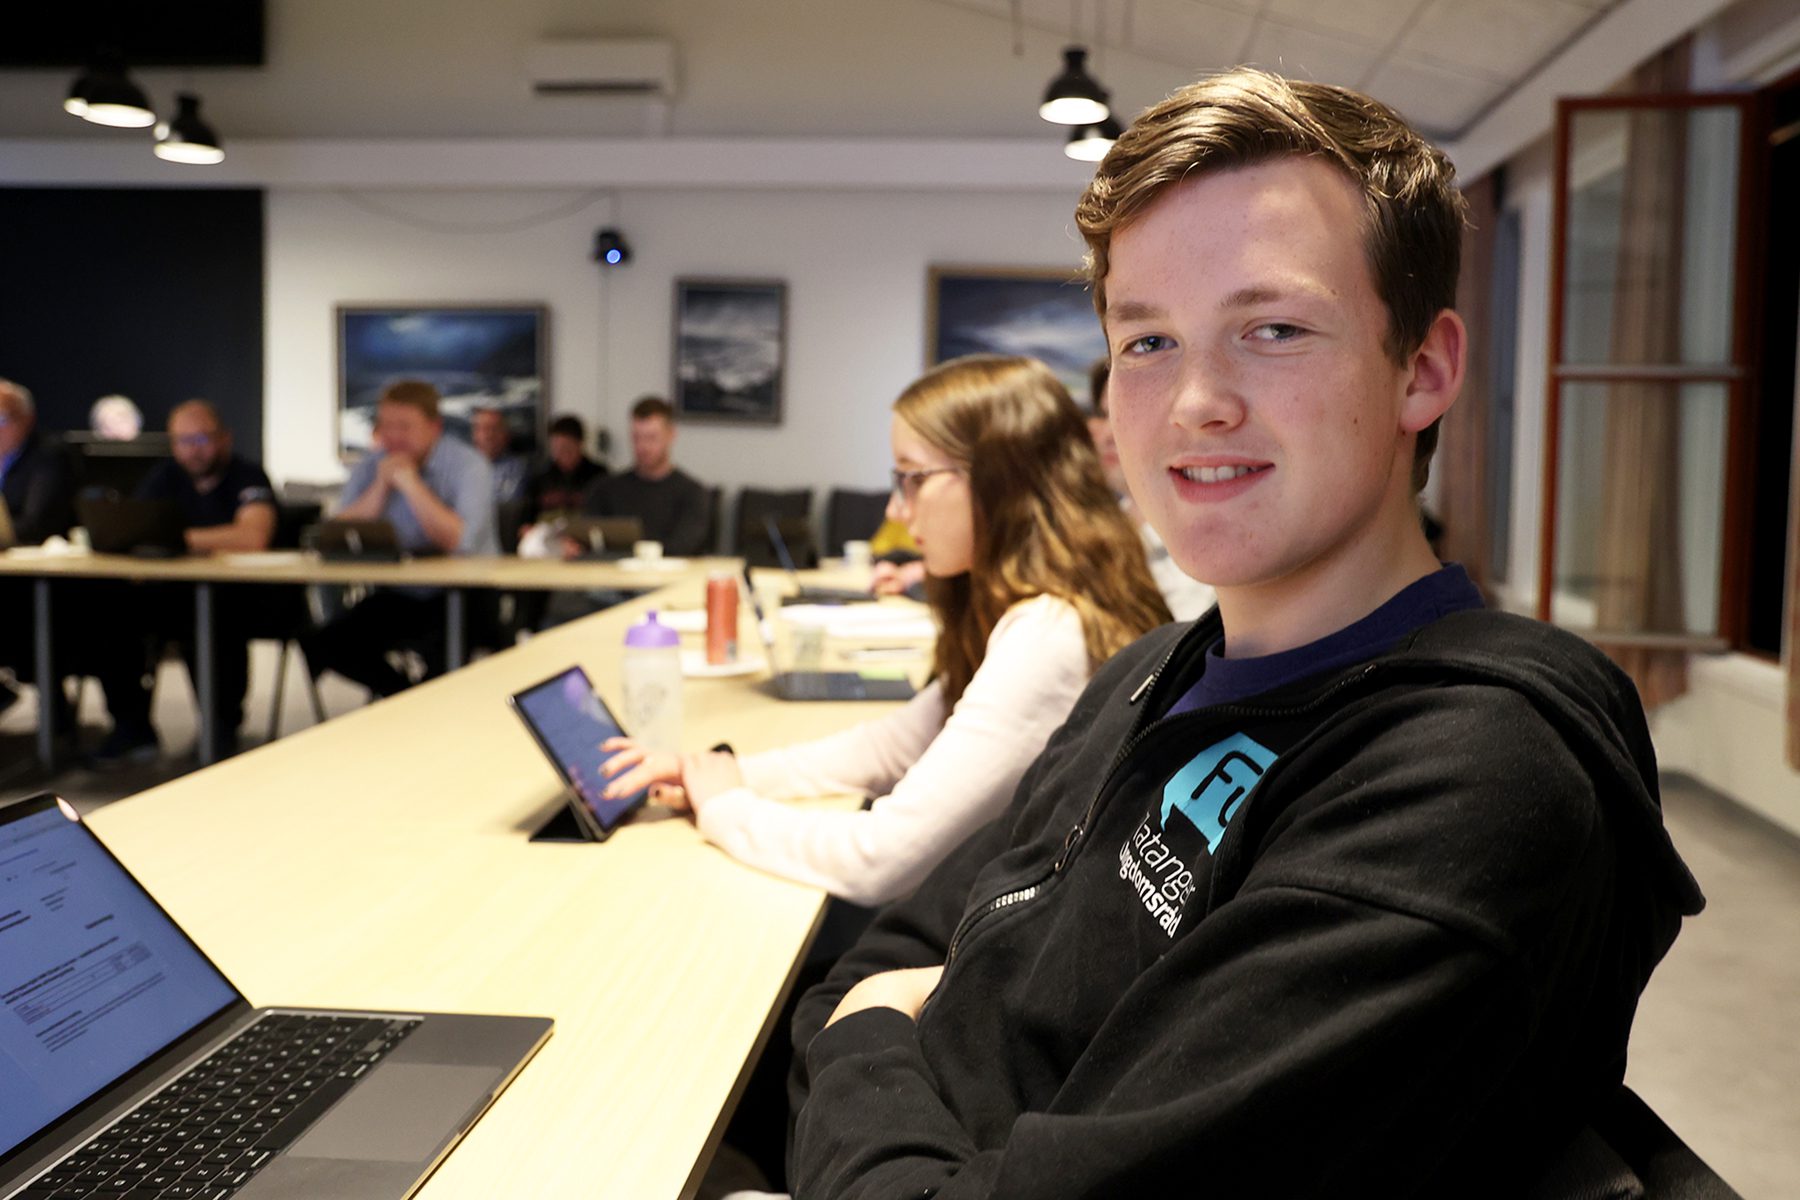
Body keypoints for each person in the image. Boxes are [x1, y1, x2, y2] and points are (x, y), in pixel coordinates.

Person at [785, 69, 1704, 1198]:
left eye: (1273, 329)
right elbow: (908, 939)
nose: (1195, 402)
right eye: (1148, 342)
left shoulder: (1464, 786)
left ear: (1422, 370)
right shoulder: (1150, 673)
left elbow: (865, 1006)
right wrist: (870, 1020)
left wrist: (867, 1039)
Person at [602, 355, 1171, 905]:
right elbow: (893, 746)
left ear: (999, 480)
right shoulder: (1033, 610)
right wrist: (717, 773)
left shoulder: (1049, 634)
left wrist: (725, 808)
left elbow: (878, 860)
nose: (897, 510)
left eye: (913, 479)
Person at [87, 400, 277, 766]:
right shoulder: (165, 476)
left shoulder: (247, 476)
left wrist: (177, 537)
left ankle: (222, 726)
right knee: (107, 612)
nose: (193, 449)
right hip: (169, 593)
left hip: (239, 598)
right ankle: (131, 727)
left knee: (211, 620)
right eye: (183, 440)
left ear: (224, 438)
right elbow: (133, 527)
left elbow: (253, 536)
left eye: (202, 438)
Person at [302, 380, 497, 698]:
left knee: (444, 656)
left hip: (465, 595)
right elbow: (334, 536)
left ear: (434, 427)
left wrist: (410, 484)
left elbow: (460, 542)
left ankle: (422, 708)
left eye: (404, 426)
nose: (393, 436)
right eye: (386, 426)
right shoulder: (373, 465)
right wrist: (380, 488)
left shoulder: (469, 466)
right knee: (328, 641)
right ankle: (405, 700)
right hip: (402, 593)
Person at [1087, 355, 1218, 621]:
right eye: (1103, 415)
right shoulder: (1093, 535)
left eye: (1128, 413)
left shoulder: (1207, 548)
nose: (1109, 434)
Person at [0, 378, 77, 721]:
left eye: (1, 419)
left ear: (27, 419)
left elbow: (37, 524)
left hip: (45, 582)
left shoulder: (49, 456)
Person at [577, 396, 710, 556]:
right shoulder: (604, 489)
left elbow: (683, 547)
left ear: (671, 435)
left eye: (651, 438)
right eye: (636, 438)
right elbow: (586, 538)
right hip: (613, 571)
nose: (643, 447)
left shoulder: (692, 493)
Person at [525, 413, 605, 522]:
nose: (561, 454)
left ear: (580, 444)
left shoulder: (600, 476)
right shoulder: (540, 478)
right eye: (556, 449)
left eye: (567, 448)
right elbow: (527, 517)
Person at [469, 406, 528, 505]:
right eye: (483, 429)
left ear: (505, 435)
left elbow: (506, 505)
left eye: (494, 429)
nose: (489, 435)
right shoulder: (462, 467)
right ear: (475, 435)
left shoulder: (516, 468)